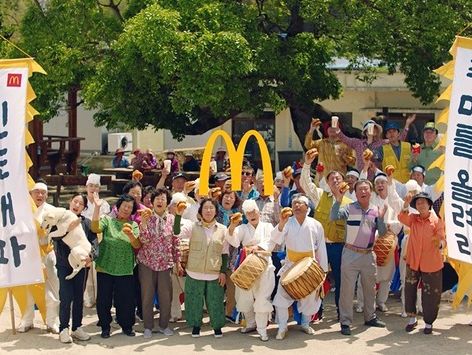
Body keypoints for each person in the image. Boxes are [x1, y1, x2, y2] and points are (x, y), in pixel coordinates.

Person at [331, 179, 388, 336]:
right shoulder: (349, 208)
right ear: (355, 193)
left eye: (366, 189)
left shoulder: (376, 210)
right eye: (360, 190)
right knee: (347, 290)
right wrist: (338, 199)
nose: (363, 192)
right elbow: (333, 217)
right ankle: (346, 322)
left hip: (368, 255)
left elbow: (382, 233)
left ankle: (370, 317)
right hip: (350, 253)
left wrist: (381, 218)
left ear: (371, 192)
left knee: (370, 289)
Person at [300, 149, 352, 317]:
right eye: (332, 178)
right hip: (320, 245)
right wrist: (307, 164)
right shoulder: (320, 195)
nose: (335, 180)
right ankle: (316, 313)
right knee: (318, 279)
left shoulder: (350, 203)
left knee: (341, 280)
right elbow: (306, 183)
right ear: (327, 183)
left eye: (338, 178)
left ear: (343, 181)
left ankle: (340, 313)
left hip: (339, 247)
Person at [269, 194, 328, 340]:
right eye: (294, 203)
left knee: (309, 298)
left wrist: (323, 269)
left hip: (310, 267)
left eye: (300, 203)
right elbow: (276, 238)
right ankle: (282, 327)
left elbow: (321, 248)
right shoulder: (288, 223)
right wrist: (281, 223)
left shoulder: (316, 224)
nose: (296, 206)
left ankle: (305, 323)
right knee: (281, 297)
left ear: (307, 208)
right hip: (290, 266)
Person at [174, 198, 230, 338]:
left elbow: (224, 252)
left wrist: (223, 272)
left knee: (215, 301)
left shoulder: (223, 229)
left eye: (211, 208)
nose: (208, 211)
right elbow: (176, 232)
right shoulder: (193, 227)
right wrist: (178, 215)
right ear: (200, 212)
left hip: (214, 272)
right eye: (205, 208)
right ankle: (196, 326)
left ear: (216, 211)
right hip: (194, 271)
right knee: (193, 301)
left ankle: (217, 327)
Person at [91, 193, 141, 338]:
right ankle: (105, 326)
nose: (126, 209)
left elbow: (137, 245)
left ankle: (126, 326)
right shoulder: (107, 220)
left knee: (126, 299)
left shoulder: (134, 225)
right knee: (104, 299)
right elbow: (95, 228)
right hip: (105, 266)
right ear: (117, 207)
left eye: (130, 207)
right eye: (124, 206)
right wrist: (97, 207)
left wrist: (131, 235)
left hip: (125, 268)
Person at [226, 200, 275, 341]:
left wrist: (257, 248)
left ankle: (261, 329)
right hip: (246, 266)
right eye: (248, 213)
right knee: (244, 296)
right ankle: (251, 323)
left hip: (264, 264)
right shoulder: (242, 228)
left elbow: (271, 243)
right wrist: (232, 226)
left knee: (261, 297)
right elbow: (234, 241)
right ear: (245, 215)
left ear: (258, 212)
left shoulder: (268, 226)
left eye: (253, 211)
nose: (251, 215)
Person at [398, 192, 446, 334]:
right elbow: (401, 217)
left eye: (424, 202)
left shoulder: (436, 220)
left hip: (431, 263)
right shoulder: (413, 219)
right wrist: (406, 204)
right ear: (416, 207)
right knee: (410, 290)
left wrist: (440, 244)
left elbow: (443, 239)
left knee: (431, 294)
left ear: (429, 204)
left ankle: (429, 322)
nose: (421, 205)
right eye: (418, 203)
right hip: (413, 261)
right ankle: (412, 319)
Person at [138, 188, 181, 338]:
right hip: (147, 262)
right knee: (147, 295)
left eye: (163, 198)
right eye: (157, 198)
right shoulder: (146, 217)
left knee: (165, 295)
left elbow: (176, 241)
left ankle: (164, 325)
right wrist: (143, 223)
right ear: (152, 201)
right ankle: (148, 326)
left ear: (167, 202)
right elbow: (143, 240)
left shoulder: (172, 219)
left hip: (165, 263)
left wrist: (177, 261)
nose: (160, 201)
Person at [55, 194, 97, 343]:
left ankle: (77, 327)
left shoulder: (87, 223)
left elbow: (94, 243)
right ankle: (63, 329)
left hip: (81, 266)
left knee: (79, 297)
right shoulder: (60, 219)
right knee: (65, 296)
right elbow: (54, 237)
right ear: (70, 202)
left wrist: (91, 256)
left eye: (81, 203)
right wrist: (68, 229)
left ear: (84, 208)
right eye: (75, 201)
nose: (77, 205)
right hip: (64, 265)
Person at [18, 182, 60, 334]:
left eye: (43, 192)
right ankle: (27, 320)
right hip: (27, 254)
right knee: (27, 288)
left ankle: (52, 321)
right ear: (31, 194)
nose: (40, 195)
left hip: (46, 253)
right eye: (37, 192)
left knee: (52, 288)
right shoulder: (22, 210)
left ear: (47, 195)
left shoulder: (53, 211)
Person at [216, 190, 242, 322]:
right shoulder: (215, 212)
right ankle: (216, 313)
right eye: (226, 196)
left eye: (231, 197)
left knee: (232, 287)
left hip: (232, 255)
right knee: (217, 287)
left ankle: (230, 313)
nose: (228, 199)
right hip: (216, 255)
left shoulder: (237, 216)